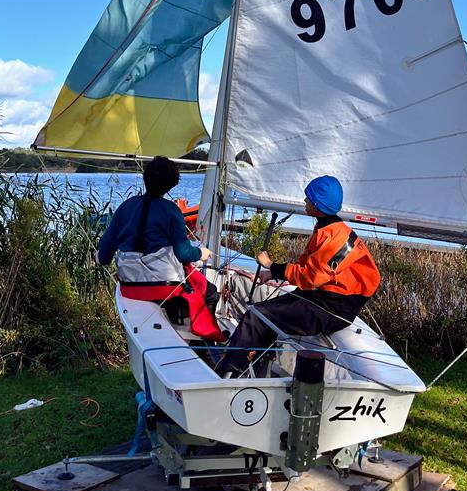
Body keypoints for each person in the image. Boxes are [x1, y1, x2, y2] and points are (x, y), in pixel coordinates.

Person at [214, 175, 381, 377]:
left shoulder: (337, 240)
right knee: (265, 313)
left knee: (257, 314)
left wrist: (271, 265)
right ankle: (257, 363)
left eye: (308, 198)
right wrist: (271, 273)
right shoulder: (328, 228)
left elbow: (311, 278)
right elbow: (307, 266)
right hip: (321, 299)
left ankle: (229, 371)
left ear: (318, 204)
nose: (305, 201)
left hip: (332, 309)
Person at [97, 157, 220, 330]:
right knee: (211, 292)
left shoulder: (125, 207)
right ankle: (202, 344)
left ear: (145, 178)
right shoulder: (172, 210)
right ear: (172, 184)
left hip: (129, 287)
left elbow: (103, 256)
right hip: (164, 288)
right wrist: (201, 253)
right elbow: (183, 253)